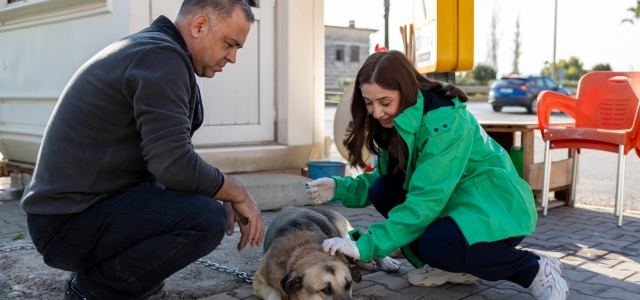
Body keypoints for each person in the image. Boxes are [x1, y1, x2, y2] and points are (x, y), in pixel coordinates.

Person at [20, 1, 264, 299]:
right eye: (230, 44)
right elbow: (173, 164)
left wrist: (216, 188)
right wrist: (235, 192)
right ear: (199, 26)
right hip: (65, 224)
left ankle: (117, 279)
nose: (233, 57)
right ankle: (93, 291)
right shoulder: (161, 57)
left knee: (196, 203)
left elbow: (167, 161)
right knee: (204, 219)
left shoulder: (157, 52)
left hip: (72, 214)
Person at [306, 50, 569, 300]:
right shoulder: (398, 121)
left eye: (384, 102)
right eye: (368, 103)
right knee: (383, 189)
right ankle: (453, 266)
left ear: (406, 91)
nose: (376, 112)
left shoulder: (445, 124)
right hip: (455, 204)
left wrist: (366, 246)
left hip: (497, 209)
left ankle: (534, 269)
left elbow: (426, 201)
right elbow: (391, 179)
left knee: (437, 245)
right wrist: (339, 188)